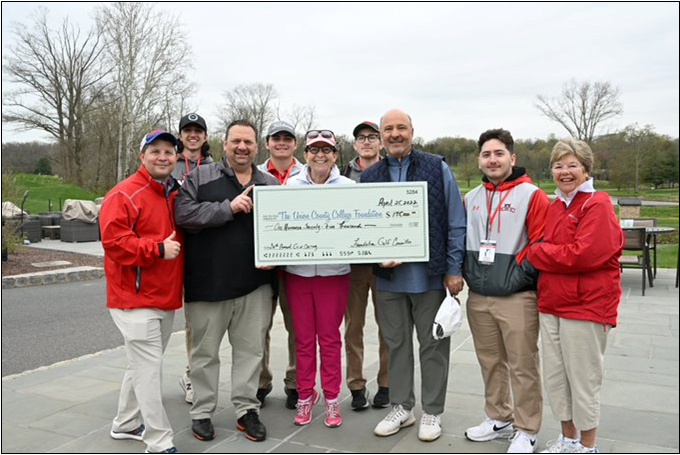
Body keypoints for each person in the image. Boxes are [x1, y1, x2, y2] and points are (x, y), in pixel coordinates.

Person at [360, 109, 466, 442]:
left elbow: (455, 220)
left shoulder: (437, 167)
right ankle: (402, 406)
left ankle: (432, 411)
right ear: (380, 135)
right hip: (389, 279)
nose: (394, 134)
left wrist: (452, 268)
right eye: (387, 129)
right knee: (396, 344)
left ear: (412, 131)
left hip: (430, 276)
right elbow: (363, 227)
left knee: (433, 345)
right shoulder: (370, 175)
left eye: (400, 128)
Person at [174, 119, 279, 443]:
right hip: (208, 285)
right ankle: (202, 412)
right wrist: (227, 208)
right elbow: (184, 215)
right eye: (236, 141)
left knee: (250, 354)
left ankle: (247, 410)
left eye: (248, 142)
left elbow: (284, 230)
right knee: (205, 355)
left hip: (255, 286)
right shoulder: (199, 178)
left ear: (256, 146)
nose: (242, 147)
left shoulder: (271, 184)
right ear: (225, 144)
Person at [527, 138, 623, 454]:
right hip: (551, 302)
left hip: (586, 306)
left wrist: (540, 252)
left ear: (585, 168)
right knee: (556, 379)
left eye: (572, 165)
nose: (565, 171)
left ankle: (588, 445)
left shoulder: (598, 203)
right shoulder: (555, 206)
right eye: (558, 165)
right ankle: (568, 439)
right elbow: (551, 248)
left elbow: (583, 255)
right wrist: (546, 251)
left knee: (583, 381)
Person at [462, 129, 549, 453]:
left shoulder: (532, 195)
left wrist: (517, 278)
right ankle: (499, 417)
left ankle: (527, 428)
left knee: (522, 364)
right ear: (479, 160)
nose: (492, 159)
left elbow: (541, 244)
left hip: (516, 296)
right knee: (490, 361)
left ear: (512, 158)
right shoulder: (471, 198)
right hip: (479, 296)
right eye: (486, 154)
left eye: (499, 153)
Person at [100, 129, 183, 454]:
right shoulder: (124, 194)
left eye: (168, 151)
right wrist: (156, 250)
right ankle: (160, 442)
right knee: (149, 371)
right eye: (155, 151)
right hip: (134, 302)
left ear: (176, 158)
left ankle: (125, 423)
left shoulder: (172, 193)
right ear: (142, 156)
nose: (162, 156)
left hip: (164, 297)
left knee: (142, 365)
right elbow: (114, 243)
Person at [286, 129, 354, 428]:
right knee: (302, 340)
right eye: (314, 150)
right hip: (298, 274)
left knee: (329, 340)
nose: (320, 155)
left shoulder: (349, 186)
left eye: (326, 150)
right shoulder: (290, 186)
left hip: (333, 275)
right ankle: (304, 396)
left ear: (336, 155)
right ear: (305, 155)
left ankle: (331, 398)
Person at [342, 120, 390, 410]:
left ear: (381, 142)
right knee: (353, 327)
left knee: (388, 327)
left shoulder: (392, 171)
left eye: (373, 137)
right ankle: (356, 384)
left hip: (385, 262)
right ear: (355, 144)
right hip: (354, 263)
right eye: (362, 137)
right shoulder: (343, 174)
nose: (368, 141)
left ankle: (386, 383)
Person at [256, 120, 303, 409]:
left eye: (287, 138)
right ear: (267, 143)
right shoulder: (256, 173)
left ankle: (295, 382)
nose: (281, 143)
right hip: (263, 265)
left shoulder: (306, 172)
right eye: (276, 138)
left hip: (297, 264)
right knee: (258, 326)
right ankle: (260, 382)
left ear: (294, 143)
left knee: (297, 326)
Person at [173, 113, 214, 406]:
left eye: (198, 130)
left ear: (205, 136)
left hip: (206, 250)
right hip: (174, 247)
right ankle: (192, 374)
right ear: (181, 135)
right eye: (187, 130)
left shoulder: (215, 168)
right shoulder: (168, 164)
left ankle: (195, 373)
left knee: (202, 320)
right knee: (191, 321)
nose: (193, 135)